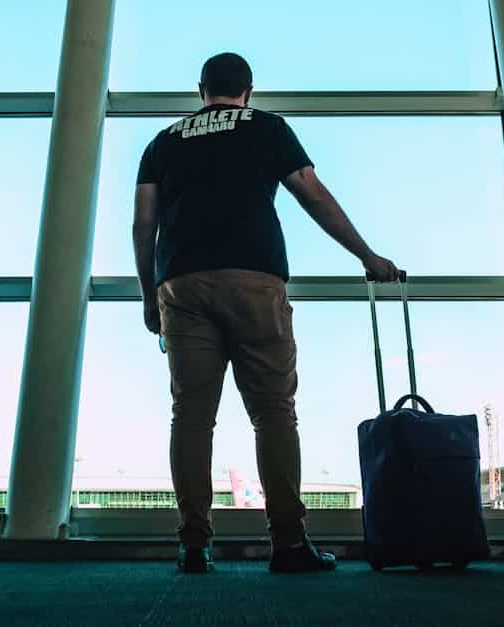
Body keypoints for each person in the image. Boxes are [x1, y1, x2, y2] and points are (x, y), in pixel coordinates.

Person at [132, 52, 400, 574]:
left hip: (182, 285)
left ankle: (192, 543)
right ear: (248, 91)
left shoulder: (163, 141)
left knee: (191, 416)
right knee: (273, 412)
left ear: (200, 89)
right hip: (254, 278)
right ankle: (288, 542)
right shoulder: (268, 128)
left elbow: (144, 224)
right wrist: (366, 255)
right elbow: (312, 194)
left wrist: (149, 294)